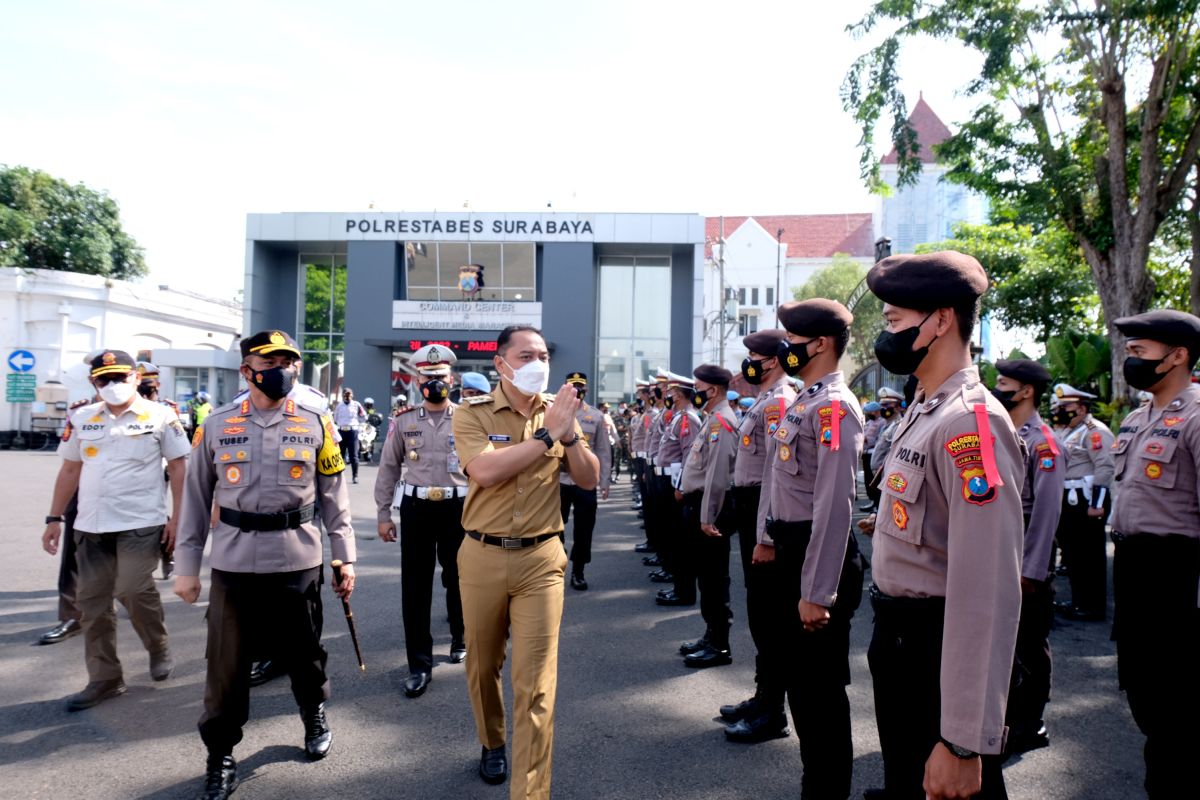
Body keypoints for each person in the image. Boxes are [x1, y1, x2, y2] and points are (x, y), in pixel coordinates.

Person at [865, 251, 1024, 800]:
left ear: (940, 319)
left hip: (934, 651)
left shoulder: (967, 422)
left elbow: (985, 591)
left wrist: (961, 740)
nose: (884, 337)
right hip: (900, 642)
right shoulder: (924, 408)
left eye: (893, 322)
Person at [174, 329, 357, 800]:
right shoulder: (215, 425)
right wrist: (187, 566)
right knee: (227, 663)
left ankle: (312, 710)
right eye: (270, 361)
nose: (282, 369)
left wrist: (345, 557)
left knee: (303, 651)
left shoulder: (318, 422)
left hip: (297, 556)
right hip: (234, 561)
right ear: (247, 370)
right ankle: (220, 755)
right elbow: (194, 500)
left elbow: (335, 496)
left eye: (289, 362)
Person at [452, 324, 599, 797]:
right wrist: (545, 438)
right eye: (526, 354)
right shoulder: (470, 413)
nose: (538, 363)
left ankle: (530, 792)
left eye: (543, 355)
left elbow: (590, 479)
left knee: (536, 685)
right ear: (501, 363)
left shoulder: (560, 412)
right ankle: (492, 740)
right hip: (482, 555)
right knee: (482, 664)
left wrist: (569, 437)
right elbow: (486, 471)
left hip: (541, 558)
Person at [753, 300, 865, 798]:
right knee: (802, 686)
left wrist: (818, 591)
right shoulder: (805, 400)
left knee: (819, 693)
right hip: (793, 548)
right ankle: (816, 783)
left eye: (793, 338)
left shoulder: (832, 407)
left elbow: (834, 507)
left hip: (815, 557)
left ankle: (827, 789)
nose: (785, 348)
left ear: (820, 344)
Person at [42, 349, 190, 711]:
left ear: (136, 378)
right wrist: (54, 518)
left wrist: (178, 520)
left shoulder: (161, 415)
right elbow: (70, 471)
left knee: (133, 589)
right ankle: (105, 678)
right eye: (103, 379)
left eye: (120, 377)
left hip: (140, 522)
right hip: (91, 525)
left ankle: (158, 646)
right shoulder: (82, 417)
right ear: (93, 382)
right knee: (91, 603)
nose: (112, 385)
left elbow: (179, 469)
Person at [1107, 309, 1200, 799]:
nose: (1131, 360)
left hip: (1174, 576)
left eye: (1140, 352)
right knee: (1145, 697)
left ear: (1178, 355)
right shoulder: (1139, 416)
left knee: (1176, 712)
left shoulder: (1198, 416)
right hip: (1134, 572)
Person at [374, 344, 468, 699]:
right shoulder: (403, 421)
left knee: (459, 578)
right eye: (427, 378)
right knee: (415, 588)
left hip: (458, 510)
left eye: (440, 377)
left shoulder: (468, 418)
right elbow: (388, 468)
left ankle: (460, 635)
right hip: (416, 509)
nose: (434, 383)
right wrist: (384, 514)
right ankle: (419, 664)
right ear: (416, 380)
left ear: (452, 379)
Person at [720, 328, 795, 743]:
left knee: (770, 615)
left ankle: (773, 710)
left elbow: (775, 473)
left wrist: (766, 531)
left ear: (774, 360)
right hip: (750, 506)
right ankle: (763, 694)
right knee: (759, 611)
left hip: (763, 511)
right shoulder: (766, 400)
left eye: (754, 356)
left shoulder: (780, 401)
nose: (748, 362)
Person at [993, 359, 1064, 755]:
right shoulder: (1003, 434)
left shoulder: (1043, 443)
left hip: (1025, 559)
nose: (997, 387)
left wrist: (1032, 570)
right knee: (1003, 645)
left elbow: (1047, 513)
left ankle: (1031, 723)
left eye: (1004, 383)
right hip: (1000, 554)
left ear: (1025, 391)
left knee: (1029, 646)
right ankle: (1006, 720)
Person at [676, 364, 738, 667]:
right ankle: (710, 634)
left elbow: (717, 475)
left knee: (714, 579)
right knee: (706, 576)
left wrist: (708, 515)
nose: (694, 393)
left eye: (698, 387)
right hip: (700, 505)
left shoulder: (722, 422)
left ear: (711, 390)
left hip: (710, 507)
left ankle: (719, 645)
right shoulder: (712, 418)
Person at [1050, 383, 1115, 621]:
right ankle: (1079, 601)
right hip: (1070, 499)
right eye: (1060, 405)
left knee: (1090, 555)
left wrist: (1096, 504)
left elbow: (1105, 466)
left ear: (1081, 408)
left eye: (1066, 406)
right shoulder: (1068, 431)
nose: (1061, 409)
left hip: (1087, 500)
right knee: (1074, 553)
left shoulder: (1094, 431)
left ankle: (1092, 606)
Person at [558, 372, 612, 590]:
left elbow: (603, 450)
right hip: (558, 481)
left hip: (585, 482)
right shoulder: (554, 413)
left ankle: (578, 570)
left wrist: (605, 481)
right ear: (565, 388)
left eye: (580, 387)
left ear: (586, 390)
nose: (577, 391)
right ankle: (554, 564)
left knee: (584, 529)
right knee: (553, 527)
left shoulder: (596, 416)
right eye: (573, 386)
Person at [656, 372, 704, 607]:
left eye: (672, 392)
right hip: (668, 482)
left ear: (680, 394)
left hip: (677, 486)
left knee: (681, 541)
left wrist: (681, 486)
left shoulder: (689, 419)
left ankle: (684, 592)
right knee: (674, 537)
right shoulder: (679, 417)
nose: (669, 395)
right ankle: (679, 586)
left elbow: (690, 457)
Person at [333, 387, 367, 483]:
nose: (348, 397)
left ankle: (355, 476)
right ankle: (339, 477)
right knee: (340, 455)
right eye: (346, 395)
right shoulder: (339, 406)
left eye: (349, 395)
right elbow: (335, 418)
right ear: (343, 396)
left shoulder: (356, 405)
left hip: (353, 432)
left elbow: (364, 416)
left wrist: (357, 423)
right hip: (342, 431)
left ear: (352, 395)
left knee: (354, 455)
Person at [860, 401, 885, 510]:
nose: (868, 414)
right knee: (868, 479)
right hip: (866, 453)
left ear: (876, 411)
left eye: (870, 412)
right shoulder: (869, 422)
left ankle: (877, 503)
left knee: (875, 479)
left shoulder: (882, 422)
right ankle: (872, 501)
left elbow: (880, 439)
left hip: (874, 453)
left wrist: (866, 439)